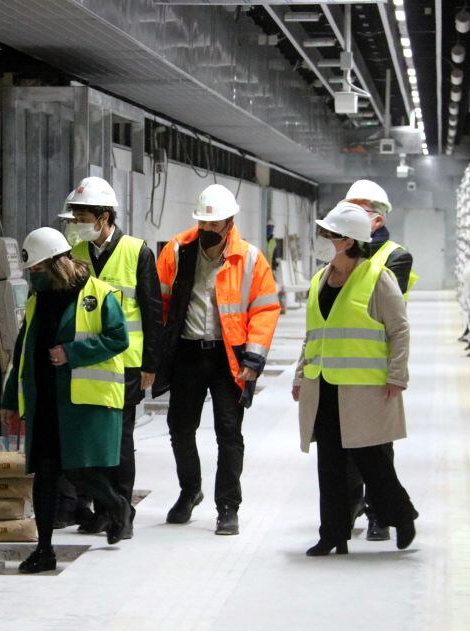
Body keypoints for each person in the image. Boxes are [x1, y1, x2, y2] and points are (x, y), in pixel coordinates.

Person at [0, 227, 133, 574]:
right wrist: (9, 399)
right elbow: (22, 352)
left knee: (81, 470)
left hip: (81, 402)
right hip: (43, 401)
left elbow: (119, 339)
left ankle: (117, 505)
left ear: (58, 264)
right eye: (31, 273)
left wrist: (72, 353)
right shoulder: (35, 301)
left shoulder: (99, 295)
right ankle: (44, 550)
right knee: (45, 476)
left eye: (38, 271)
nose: (34, 278)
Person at [292, 202, 417, 556]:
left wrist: (397, 375)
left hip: (363, 388)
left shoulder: (378, 278)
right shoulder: (321, 278)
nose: (322, 239)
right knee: (329, 463)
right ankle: (333, 534)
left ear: (347, 241)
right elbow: (313, 333)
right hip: (323, 386)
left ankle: (402, 515)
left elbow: (400, 329)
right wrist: (301, 375)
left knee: (370, 460)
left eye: (328, 234)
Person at [154, 184, 280, 535]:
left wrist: (253, 360)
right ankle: (189, 490)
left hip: (229, 358)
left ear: (230, 222)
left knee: (229, 432)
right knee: (180, 428)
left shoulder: (250, 258)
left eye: (215, 225)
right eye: (204, 224)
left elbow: (265, 308)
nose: (208, 231)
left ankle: (227, 506)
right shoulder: (177, 251)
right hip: (188, 353)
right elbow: (159, 302)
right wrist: (156, 353)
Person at [64, 177, 162, 537]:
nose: (76, 224)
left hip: (126, 364)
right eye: (73, 217)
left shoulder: (138, 252)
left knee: (120, 439)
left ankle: (122, 513)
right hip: (86, 363)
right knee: (92, 437)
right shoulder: (75, 253)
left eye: (82, 216)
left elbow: (153, 313)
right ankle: (104, 510)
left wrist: (152, 364)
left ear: (104, 217)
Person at [343, 180, 417, 541]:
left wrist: (396, 374)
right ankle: (352, 504)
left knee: (377, 444)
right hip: (342, 364)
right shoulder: (345, 250)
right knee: (345, 443)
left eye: (357, 212)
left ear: (376, 218)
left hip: (375, 366)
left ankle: (380, 513)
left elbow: (389, 313)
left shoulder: (395, 256)